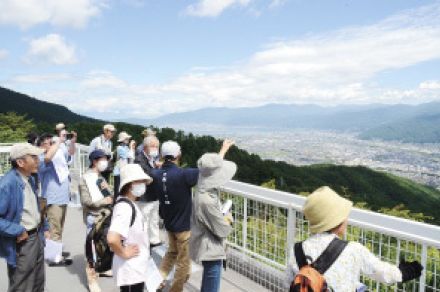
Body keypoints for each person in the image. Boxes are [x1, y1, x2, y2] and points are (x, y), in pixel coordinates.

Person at [285, 186, 424, 292]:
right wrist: (405, 272)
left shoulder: (297, 250)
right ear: (336, 221)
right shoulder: (353, 250)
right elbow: (383, 273)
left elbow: (289, 283)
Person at [150, 140, 233, 292]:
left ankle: (155, 282)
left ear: (162, 155)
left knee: (171, 254)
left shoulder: (156, 174)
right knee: (183, 263)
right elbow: (209, 170)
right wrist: (223, 151)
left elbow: (158, 173)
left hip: (169, 224)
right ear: (178, 155)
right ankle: (175, 290)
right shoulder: (184, 175)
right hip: (184, 228)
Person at [0, 143, 50, 292]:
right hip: (23, 241)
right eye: (33, 157)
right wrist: (17, 230)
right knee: (22, 285)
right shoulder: (8, 184)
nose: (38, 160)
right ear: (20, 162)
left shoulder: (29, 178)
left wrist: (45, 226)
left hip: (36, 236)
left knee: (37, 282)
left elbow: (34, 207)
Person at [190, 140, 236, 292]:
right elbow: (223, 230)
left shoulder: (202, 188)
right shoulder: (207, 201)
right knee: (211, 284)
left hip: (206, 244)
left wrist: (223, 150)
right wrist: (228, 219)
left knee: (208, 282)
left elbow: (211, 166)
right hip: (211, 249)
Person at [107, 164, 153, 292]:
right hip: (130, 271)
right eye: (140, 181)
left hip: (135, 270)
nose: (143, 184)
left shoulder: (130, 204)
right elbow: (112, 238)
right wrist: (123, 252)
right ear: (130, 184)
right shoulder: (125, 207)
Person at [38, 128, 76, 266]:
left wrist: (72, 141)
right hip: (53, 198)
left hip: (62, 197)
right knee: (55, 228)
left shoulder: (58, 155)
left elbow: (70, 154)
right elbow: (48, 157)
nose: (54, 144)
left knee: (59, 227)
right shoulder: (42, 158)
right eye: (50, 142)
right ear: (43, 145)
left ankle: (56, 251)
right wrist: (58, 141)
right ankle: (55, 257)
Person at [79, 149, 114, 292]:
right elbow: (86, 201)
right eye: (103, 159)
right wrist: (103, 201)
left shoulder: (100, 176)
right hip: (94, 216)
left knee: (105, 244)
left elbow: (109, 194)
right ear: (94, 161)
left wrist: (109, 190)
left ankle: (103, 268)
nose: (105, 162)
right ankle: (92, 279)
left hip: (106, 214)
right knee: (92, 248)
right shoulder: (85, 178)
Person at [134, 135, 162, 248]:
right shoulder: (139, 159)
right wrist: (158, 170)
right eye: (153, 146)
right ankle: (143, 242)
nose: (156, 149)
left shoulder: (152, 159)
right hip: (144, 196)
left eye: (157, 146)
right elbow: (148, 175)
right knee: (144, 220)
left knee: (154, 219)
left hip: (154, 195)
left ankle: (154, 240)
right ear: (146, 147)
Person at [113, 131, 136, 196]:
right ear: (122, 140)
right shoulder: (119, 148)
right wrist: (131, 146)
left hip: (123, 170)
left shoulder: (125, 148)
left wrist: (131, 148)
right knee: (117, 189)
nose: (128, 140)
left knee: (123, 188)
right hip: (118, 172)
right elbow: (129, 155)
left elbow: (132, 157)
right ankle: (115, 202)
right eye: (126, 139)